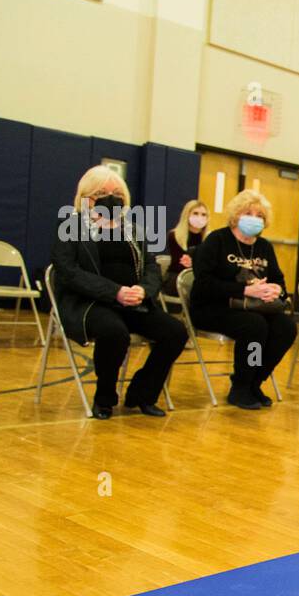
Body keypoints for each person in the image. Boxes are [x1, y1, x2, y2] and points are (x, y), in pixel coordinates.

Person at [50, 165, 187, 420]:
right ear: (86, 197)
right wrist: (115, 292)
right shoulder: (70, 225)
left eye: (117, 193)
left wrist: (143, 291)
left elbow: (151, 266)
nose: (111, 198)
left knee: (176, 332)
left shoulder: (132, 229)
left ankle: (142, 393)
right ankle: (105, 397)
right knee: (114, 333)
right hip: (89, 303)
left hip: (133, 302)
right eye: (102, 192)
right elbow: (68, 272)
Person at [190, 189, 298, 410]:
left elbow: (280, 282)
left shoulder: (264, 246)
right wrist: (245, 290)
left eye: (260, 215)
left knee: (286, 327)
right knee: (255, 327)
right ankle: (241, 385)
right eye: (249, 213)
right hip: (213, 306)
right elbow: (204, 284)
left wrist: (275, 290)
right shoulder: (217, 240)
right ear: (236, 215)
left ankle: (255, 380)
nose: (254, 219)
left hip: (254, 308)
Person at [162, 200, 208, 296]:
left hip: (201, 279)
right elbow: (181, 265)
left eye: (204, 214)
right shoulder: (174, 235)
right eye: (195, 213)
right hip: (177, 278)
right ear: (187, 215)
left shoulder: (210, 238)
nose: (200, 217)